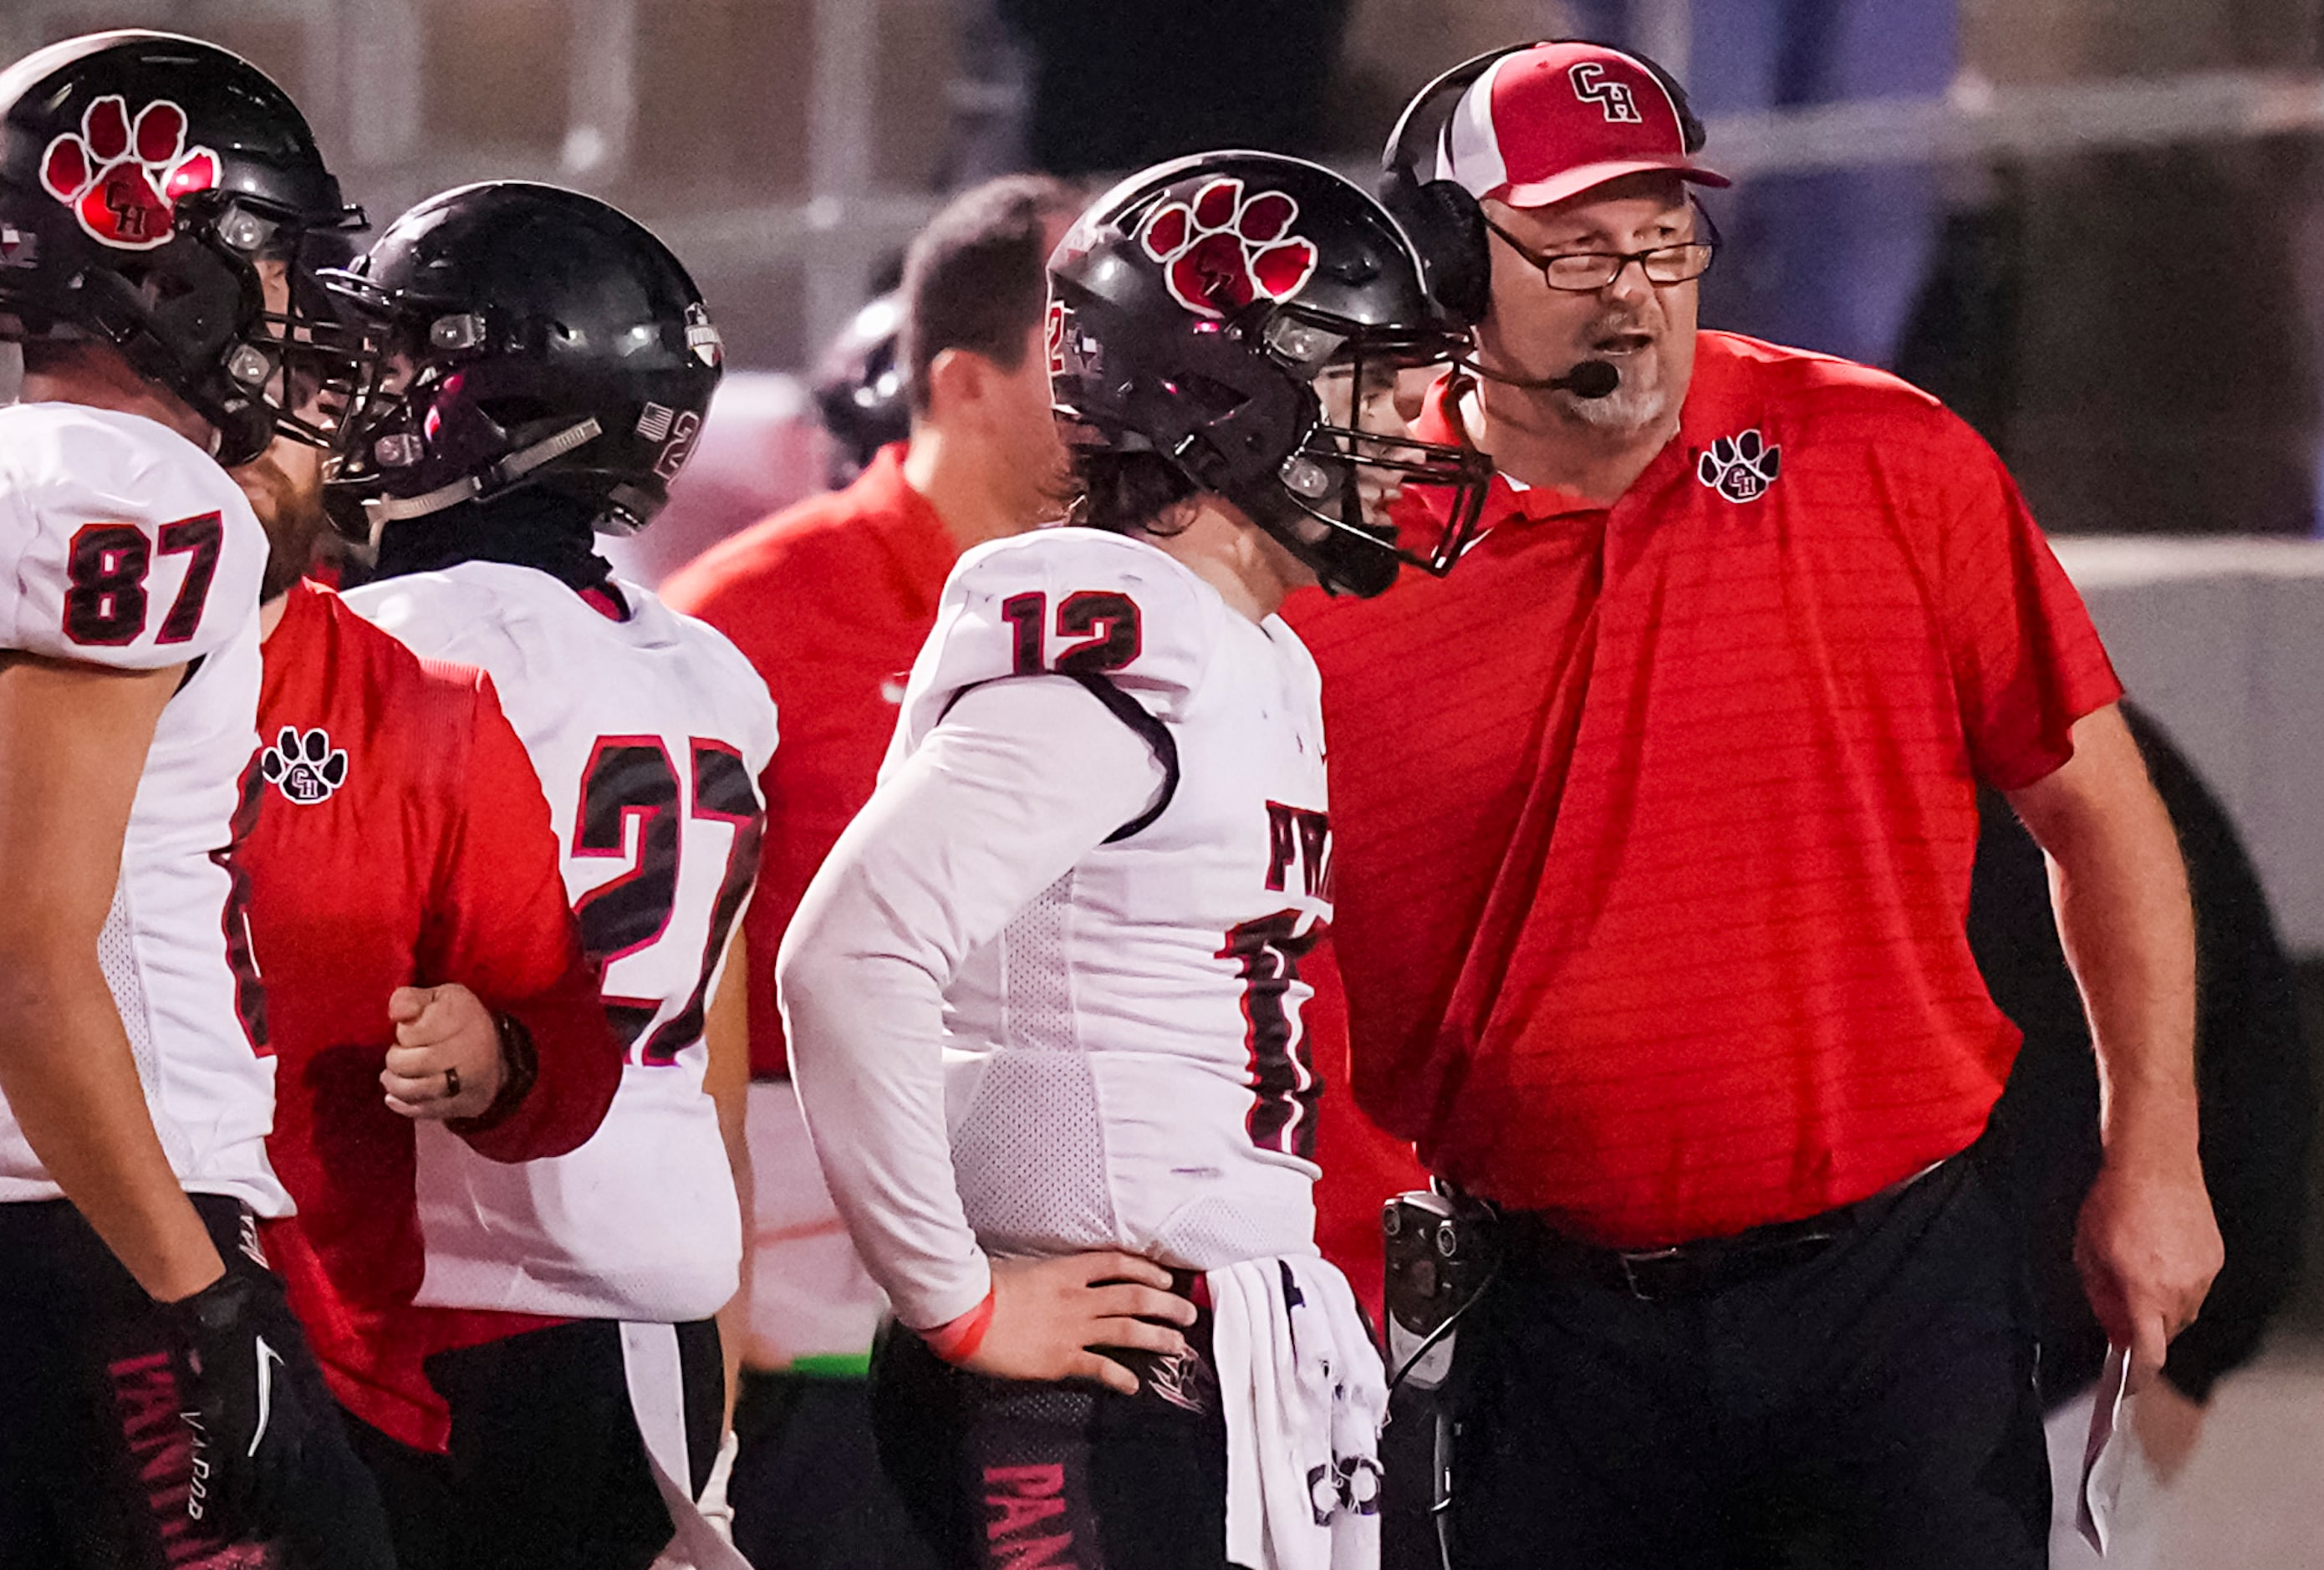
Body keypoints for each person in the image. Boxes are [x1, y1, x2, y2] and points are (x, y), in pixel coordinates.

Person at [1293, 39, 2221, 1567]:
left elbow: (2102, 816)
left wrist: (2157, 1155)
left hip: (1893, 1297)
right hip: (1543, 1316)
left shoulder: (1890, 458)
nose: (1634, 287)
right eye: (1576, 245)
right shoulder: (1337, 555)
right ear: (1452, 263)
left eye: (1662, 239)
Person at [778, 150, 1494, 1570]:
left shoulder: (1233, 640)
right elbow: (849, 953)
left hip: (1189, 1338)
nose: (1414, 430)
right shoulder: (1137, 643)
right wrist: (962, 1301)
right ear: (1228, 397)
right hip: (1093, 1369)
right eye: (1365, 387)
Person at [326, 181, 777, 1570]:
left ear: (500, 400)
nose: (359, 396)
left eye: (400, 362)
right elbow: (709, 1035)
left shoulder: (393, 643)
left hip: (450, 1283)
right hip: (657, 1299)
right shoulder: (712, 671)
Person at [0, 31, 395, 1569]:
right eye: (280, 266)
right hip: (95, 1216)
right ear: (167, 273)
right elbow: (32, 950)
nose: (303, 311)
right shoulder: (135, 496)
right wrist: (196, 1292)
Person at [660, 171, 1079, 1570]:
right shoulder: (740, 625)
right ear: (964, 383)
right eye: (1090, 341)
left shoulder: (1193, 612)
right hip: (821, 1336)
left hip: (1095, 1303)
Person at [228, 374, 629, 1564]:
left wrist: (496, 1055)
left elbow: (568, 1045)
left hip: (327, 1361)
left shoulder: (419, 707)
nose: (247, 437)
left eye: (286, 408)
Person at [1972, 703, 2315, 1569]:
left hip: (2059, 1391)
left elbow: (2256, 1069)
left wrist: (2192, 1367)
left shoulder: (2096, 760)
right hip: (1873, 1383)